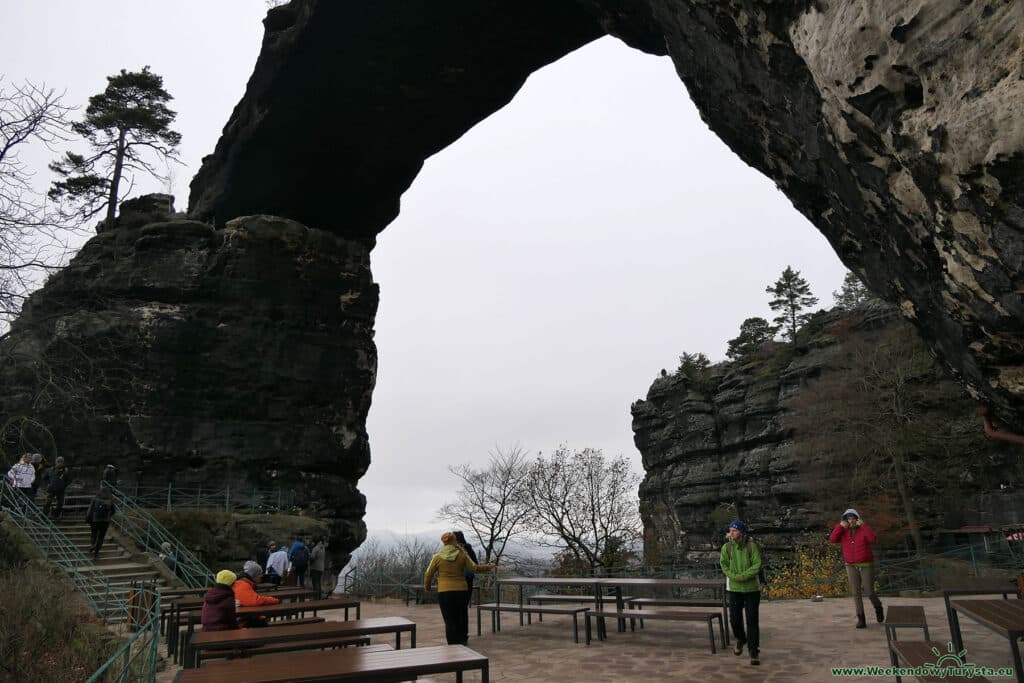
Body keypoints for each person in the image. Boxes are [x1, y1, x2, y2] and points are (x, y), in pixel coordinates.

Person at [423, 531, 496, 645]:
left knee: (449, 620)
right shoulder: (462, 554)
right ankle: (462, 640)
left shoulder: (437, 557)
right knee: (460, 616)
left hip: (445, 592)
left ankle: (452, 645)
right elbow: (475, 568)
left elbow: (428, 574)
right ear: (454, 541)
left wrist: (427, 587)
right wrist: (488, 567)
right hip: (461, 591)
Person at [829, 508, 883, 628]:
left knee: (869, 591)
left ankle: (878, 606)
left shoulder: (863, 529)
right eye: (848, 518)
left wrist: (863, 526)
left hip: (865, 564)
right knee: (856, 593)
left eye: (853, 518)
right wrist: (840, 526)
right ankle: (861, 619)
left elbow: (872, 539)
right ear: (845, 520)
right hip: (851, 565)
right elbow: (832, 539)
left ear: (857, 519)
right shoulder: (843, 531)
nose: (851, 520)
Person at [720, 519, 762, 666]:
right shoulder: (727, 547)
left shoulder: (752, 546)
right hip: (734, 588)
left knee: (752, 621)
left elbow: (757, 564)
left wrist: (745, 576)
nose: (731, 533)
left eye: (735, 530)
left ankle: (753, 652)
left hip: (751, 589)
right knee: (734, 619)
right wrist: (734, 577)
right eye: (730, 530)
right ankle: (741, 639)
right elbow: (723, 565)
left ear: (741, 532)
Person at [233, 560, 281, 627]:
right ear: (253, 575)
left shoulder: (245, 583)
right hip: (242, 622)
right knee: (262, 623)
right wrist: (274, 600)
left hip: (244, 618)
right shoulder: (242, 584)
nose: (261, 576)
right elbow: (255, 600)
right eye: (259, 574)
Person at [85, 488, 116, 559]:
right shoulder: (110, 499)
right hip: (105, 521)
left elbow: (90, 510)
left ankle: (92, 544)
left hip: (95, 520)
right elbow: (113, 511)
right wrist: (108, 516)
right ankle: (96, 554)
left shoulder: (95, 498)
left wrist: (88, 518)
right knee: (101, 537)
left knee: (94, 533)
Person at [452, 531, 479, 606]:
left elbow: (475, 564)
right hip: (464, 578)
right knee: (462, 604)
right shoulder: (467, 549)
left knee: (461, 604)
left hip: (464, 578)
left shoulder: (465, 549)